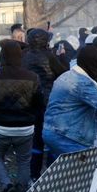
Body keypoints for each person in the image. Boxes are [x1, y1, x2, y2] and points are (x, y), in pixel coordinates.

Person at [0, 40, 44, 192]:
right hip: (25, 127)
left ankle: (6, 185)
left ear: (2, 56)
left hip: (2, 125)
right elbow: (40, 102)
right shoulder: (32, 76)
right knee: (24, 161)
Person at [22, 28, 66, 179]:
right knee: (50, 136)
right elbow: (63, 73)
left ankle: (34, 174)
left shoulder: (23, 56)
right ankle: (50, 172)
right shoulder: (50, 56)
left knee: (35, 139)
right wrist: (62, 58)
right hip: (48, 100)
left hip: (28, 100)